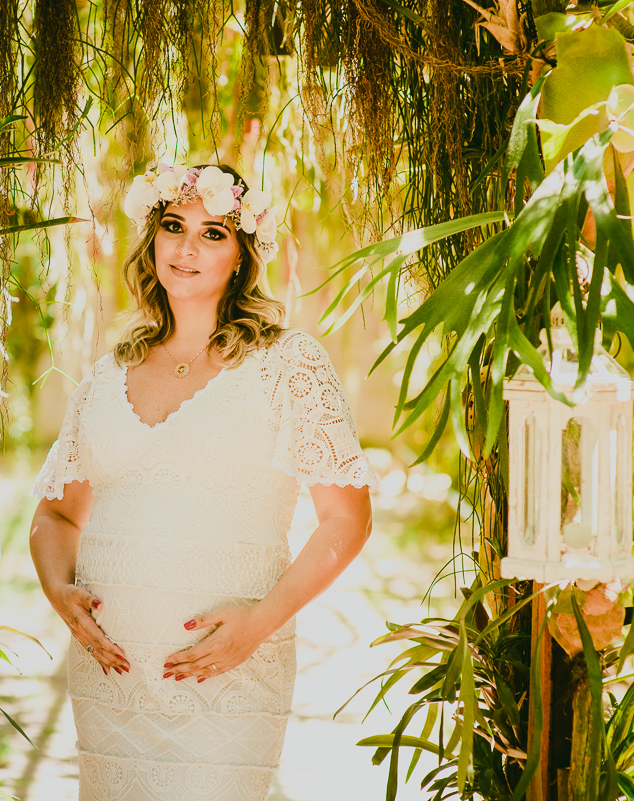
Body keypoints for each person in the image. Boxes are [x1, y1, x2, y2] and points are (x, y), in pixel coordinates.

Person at [29, 163, 377, 800]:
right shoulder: (104, 378)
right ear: (152, 240)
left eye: (213, 233)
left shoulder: (287, 363)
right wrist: (58, 590)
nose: (186, 248)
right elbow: (56, 517)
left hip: (232, 671)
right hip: (111, 683)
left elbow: (347, 520)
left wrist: (260, 623)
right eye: (172, 226)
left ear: (243, 255)